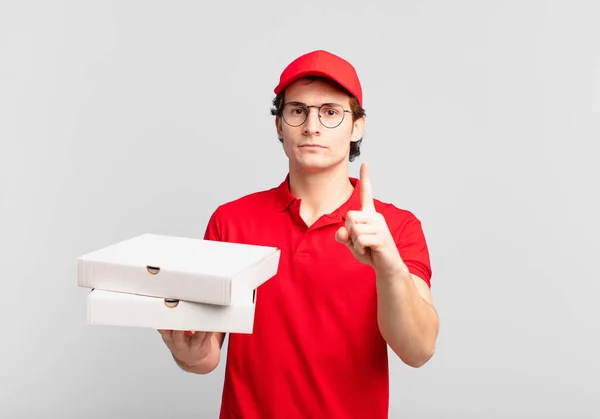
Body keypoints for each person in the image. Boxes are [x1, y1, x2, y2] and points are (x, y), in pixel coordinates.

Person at [158, 49, 440, 418]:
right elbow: (207, 354)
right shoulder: (231, 221)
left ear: (357, 126)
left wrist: (390, 269)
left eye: (330, 112)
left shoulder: (396, 228)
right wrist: (188, 353)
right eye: (297, 111)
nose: (312, 126)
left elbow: (418, 350)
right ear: (279, 125)